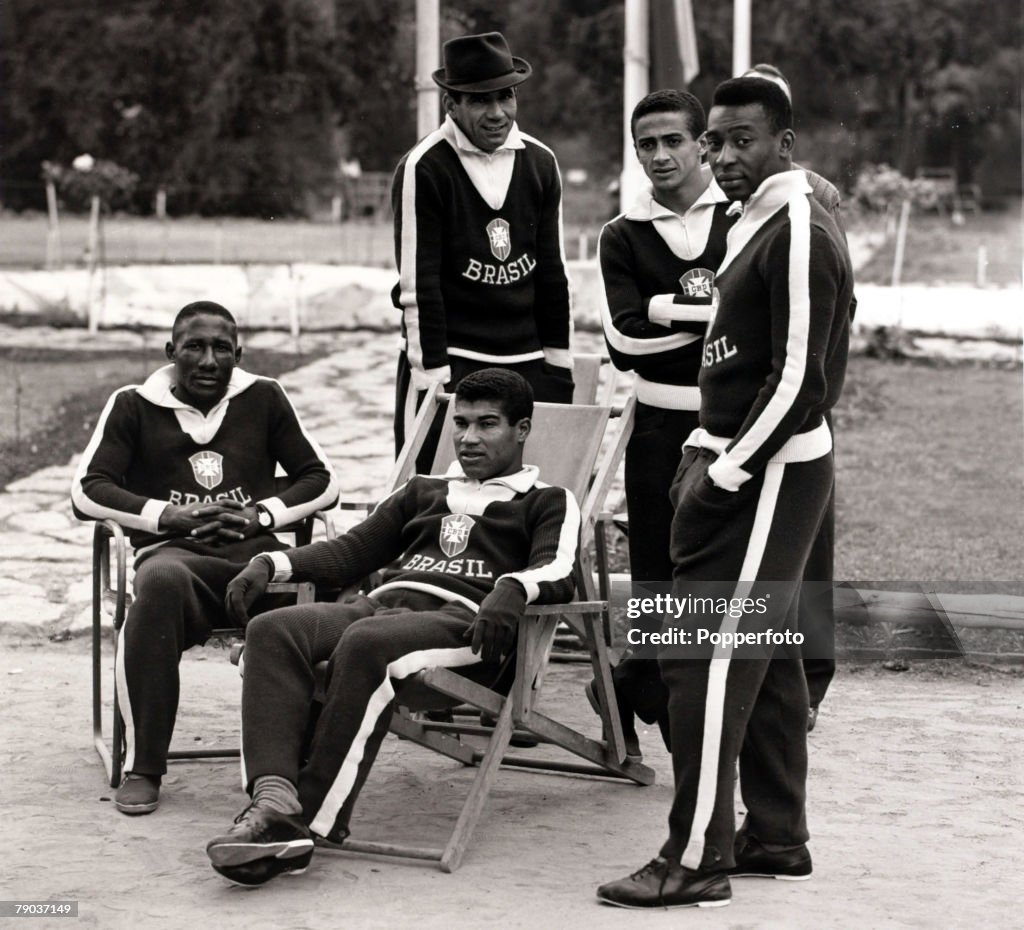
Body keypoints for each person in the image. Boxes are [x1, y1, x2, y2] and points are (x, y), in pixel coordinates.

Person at [596, 76, 853, 909]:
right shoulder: (757, 219)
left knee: (701, 660)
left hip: (766, 471)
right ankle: (774, 835)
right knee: (767, 653)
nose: (722, 157)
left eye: (742, 140)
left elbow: (799, 381)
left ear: (784, 141)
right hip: (729, 457)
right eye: (717, 141)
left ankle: (693, 857)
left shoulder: (800, 228)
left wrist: (726, 469)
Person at [204, 368, 580, 887]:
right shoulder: (423, 490)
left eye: (487, 425)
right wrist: (273, 564)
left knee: (365, 643)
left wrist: (513, 588)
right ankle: (273, 799)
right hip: (381, 610)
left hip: (465, 628)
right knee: (271, 630)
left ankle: (301, 822)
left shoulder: (545, 500)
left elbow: (559, 570)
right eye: (461, 424)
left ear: (521, 430)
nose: (469, 438)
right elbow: (352, 551)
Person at [72, 301, 339, 816]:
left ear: (239, 353)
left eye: (222, 348)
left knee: (321, 603)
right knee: (159, 587)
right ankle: (146, 765)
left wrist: (259, 516)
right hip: (174, 559)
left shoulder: (263, 397)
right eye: (195, 347)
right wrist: (167, 517)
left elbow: (321, 478)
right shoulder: (131, 403)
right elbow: (87, 491)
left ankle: (289, 769)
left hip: (254, 561)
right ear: (171, 352)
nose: (209, 360)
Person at [594, 89, 730, 757]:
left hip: (732, 426)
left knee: (715, 573)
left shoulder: (741, 217)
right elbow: (625, 343)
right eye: (646, 144)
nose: (659, 155)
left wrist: (661, 306)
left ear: (704, 144)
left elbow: (765, 321)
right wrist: (718, 319)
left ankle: (636, 685)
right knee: (655, 570)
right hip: (656, 426)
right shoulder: (622, 233)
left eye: (673, 140)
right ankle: (659, 698)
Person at [391, 31, 574, 468]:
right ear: (451, 105)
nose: (497, 113)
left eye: (505, 97)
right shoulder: (425, 166)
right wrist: (431, 381)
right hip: (455, 365)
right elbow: (420, 287)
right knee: (436, 500)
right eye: (479, 101)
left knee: (528, 499)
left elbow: (552, 272)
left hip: (525, 363)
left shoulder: (541, 161)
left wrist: (558, 368)